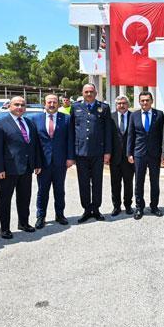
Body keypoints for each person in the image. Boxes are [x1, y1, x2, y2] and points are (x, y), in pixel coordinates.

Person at [0, 96, 42, 239]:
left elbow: (35, 145)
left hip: (26, 167)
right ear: (9, 106)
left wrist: (37, 163)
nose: (20, 107)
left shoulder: (29, 122)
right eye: (16, 104)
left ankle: (23, 223)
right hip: (8, 169)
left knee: (25, 197)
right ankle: (5, 228)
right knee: (5, 199)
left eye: (22, 105)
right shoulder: (0, 123)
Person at [69, 84, 112, 223]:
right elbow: (71, 131)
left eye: (91, 91)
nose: (89, 94)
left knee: (97, 182)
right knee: (83, 182)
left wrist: (107, 152)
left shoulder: (103, 108)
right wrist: (71, 154)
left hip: (98, 152)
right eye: (86, 92)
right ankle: (87, 209)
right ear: (82, 93)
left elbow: (107, 131)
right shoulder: (75, 107)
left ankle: (96, 209)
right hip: (80, 152)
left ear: (96, 93)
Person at [31, 94, 74, 229]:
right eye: (49, 102)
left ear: (58, 104)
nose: (52, 104)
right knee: (42, 191)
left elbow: (70, 139)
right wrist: (36, 162)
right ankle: (41, 216)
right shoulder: (35, 119)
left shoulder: (66, 118)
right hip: (43, 163)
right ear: (44, 103)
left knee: (59, 190)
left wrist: (70, 158)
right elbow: (34, 143)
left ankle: (60, 214)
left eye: (54, 102)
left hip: (60, 162)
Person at [127, 91, 164, 220]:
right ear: (139, 102)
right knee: (139, 181)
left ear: (152, 101)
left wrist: (163, 153)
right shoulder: (134, 115)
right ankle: (139, 207)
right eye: (142, 100)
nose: (145, 102)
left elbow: (163, 135)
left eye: (147, 100)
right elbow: (131, 135)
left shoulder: (159, 115)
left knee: (155, 181)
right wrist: (129, 153)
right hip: (139, 153)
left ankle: (154, 206)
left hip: (155, 154)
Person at [109, 95, 134, 216]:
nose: (121, 105)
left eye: (124, 103)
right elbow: (107, 136)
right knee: (115, 183)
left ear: (128, 104)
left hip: (129, 157)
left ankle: (128, 205)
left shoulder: (133, 116)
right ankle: (116, 206)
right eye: (119, 103)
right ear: (116, 105)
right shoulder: (110, 117)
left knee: (128, 183)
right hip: (114, 157)